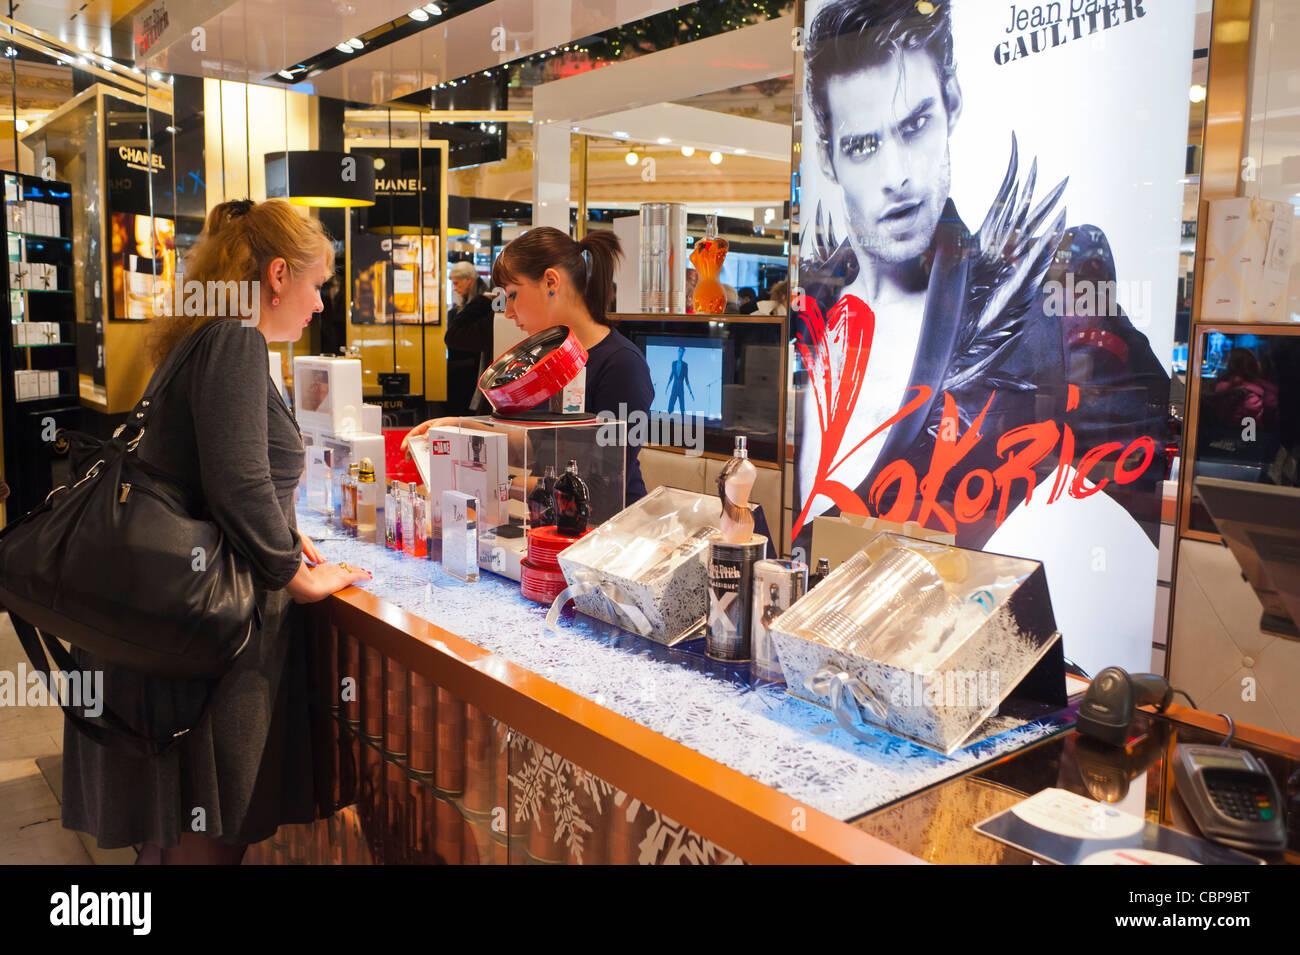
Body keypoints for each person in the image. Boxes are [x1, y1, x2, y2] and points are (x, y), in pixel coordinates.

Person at [60, 198, 371, 865]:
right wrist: (297, 572)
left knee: (169, 834)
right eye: (318, 285)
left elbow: (217, 476)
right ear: (279, 274)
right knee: (202, 840)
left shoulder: (200, 337)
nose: (320, 305)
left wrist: (286, 534)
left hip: (173, 626)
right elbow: (239, 484)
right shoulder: (235, 339)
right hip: (206, 640)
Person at [795, 0, 1168, 552]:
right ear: (828, 159)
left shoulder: (1053, 292)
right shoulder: (811, 308)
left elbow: (1133, 508)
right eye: (863, 145)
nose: (897, 175)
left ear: (953, 106)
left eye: (915, 126)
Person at [404, 227, 655, 502]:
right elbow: (536, 448)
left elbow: (601, 484)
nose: (508, 312)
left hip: (607, 535)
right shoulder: (546, 362)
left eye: (512, 295)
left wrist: (501, 483)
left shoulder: (622, 366)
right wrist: (459, 427)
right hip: (550, 529)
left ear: (551, 282)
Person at [444, 260, 494, 414]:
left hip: (471, 376)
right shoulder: (475, 305)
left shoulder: (483, 305)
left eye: (457, 283)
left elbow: (452, 336)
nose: (455, 288)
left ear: (469, 280)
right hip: (466, 375)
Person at [665, 346, 694, 416]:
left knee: (682, 408)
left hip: (681, 389)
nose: (681, 353)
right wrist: (667, 387)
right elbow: (671, 376)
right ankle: (669, 423)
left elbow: (686, 379)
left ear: (683, 353)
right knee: (670, 407)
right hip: (674, 388)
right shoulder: (674, 363)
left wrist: (691, 392)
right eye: (680, 351)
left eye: (682, 352)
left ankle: (684, 424)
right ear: (678, 352)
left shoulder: (685, 365)